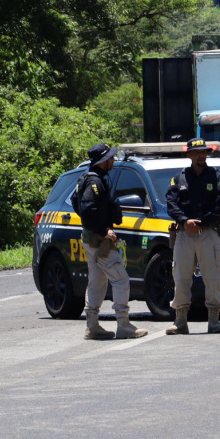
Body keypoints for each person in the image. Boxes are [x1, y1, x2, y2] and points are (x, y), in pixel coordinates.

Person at [73, 143, 148, 340]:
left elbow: (75, 202)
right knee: (121, 279)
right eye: (110, 158)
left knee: (97, 281)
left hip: (91, 238)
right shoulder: (94, 182)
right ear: (103, 161)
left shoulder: (87, 179)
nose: (113, 160)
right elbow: (88, 209)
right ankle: (123, 324)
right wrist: (102, 230)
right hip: (98, 241)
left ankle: (92, 326)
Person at [165, 138, 220, 335]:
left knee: (213, 276)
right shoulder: (179, 178)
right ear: (189, 155)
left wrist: (202, 222)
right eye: (197, 152)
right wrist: (185, 221)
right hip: (184, 233)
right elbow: (171, 203)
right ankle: (180, 321)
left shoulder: (216, 177)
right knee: (181, 276)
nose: (201, 155)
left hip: (208, 232)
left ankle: (214, 320)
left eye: (204, 152)